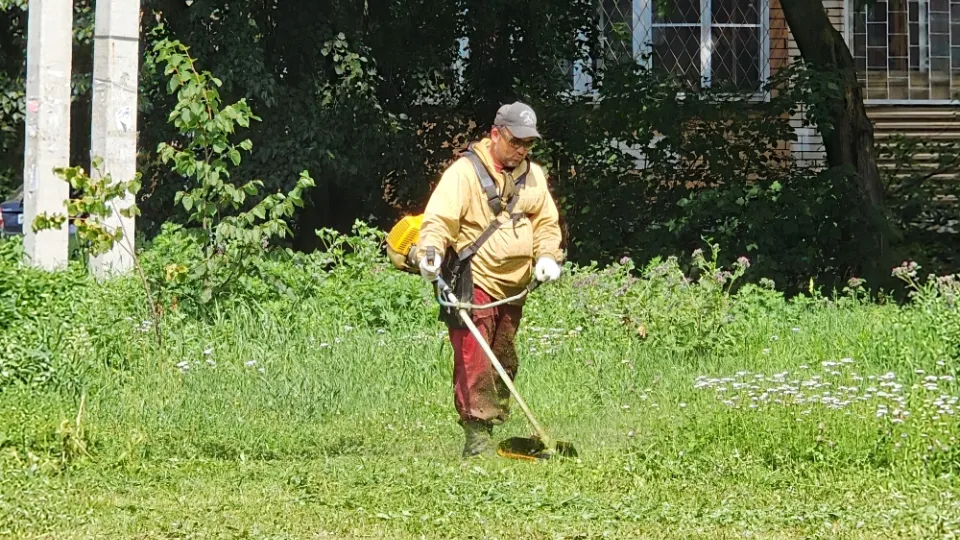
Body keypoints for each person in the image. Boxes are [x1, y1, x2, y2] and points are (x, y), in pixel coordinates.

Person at [416, 101, 564, 458]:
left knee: (504, 358)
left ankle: (493, 424)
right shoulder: (464, 173)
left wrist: (547, 254)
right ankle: (476, 440)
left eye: (528, 144)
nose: (522, 150)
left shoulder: (534, 176)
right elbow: (438, 220)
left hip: (515, 286)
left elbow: (546, 222)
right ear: (495, 134)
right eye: (515, 141)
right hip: (474, 281)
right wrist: (431, 251)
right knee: (475, 360)